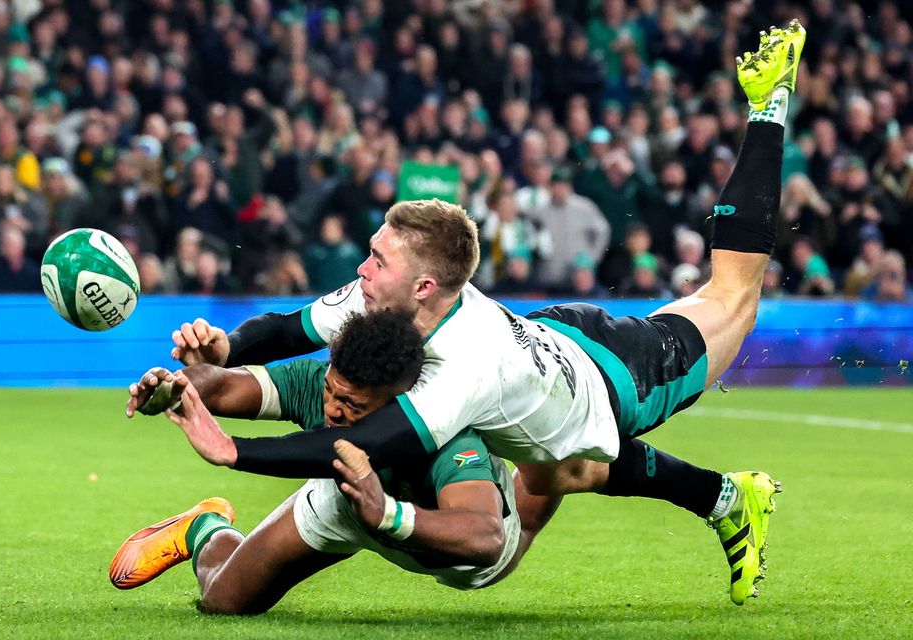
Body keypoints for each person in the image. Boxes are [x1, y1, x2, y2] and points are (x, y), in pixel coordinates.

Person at [147, 21, 805, 606]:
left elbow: (368, 443)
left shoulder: (463, 369)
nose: (361, 270)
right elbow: (290, 330)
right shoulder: (381, 301)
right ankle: (724, 497)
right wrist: (223, 352)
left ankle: (768, 106)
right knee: (561, 462)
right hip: (542, 344)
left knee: (730, 300)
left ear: (425, 284)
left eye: (376, 259)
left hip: (610, 374)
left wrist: (234, 452)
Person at [113, 310, 559, 613]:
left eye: (352, 405)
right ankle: (203, 526)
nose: (332, 409)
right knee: (223, 602)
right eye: (331, 389)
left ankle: (586, 451)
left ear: (400, 405)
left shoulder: (447, 439)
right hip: (343, 504)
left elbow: (486, 537)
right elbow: (223, 384)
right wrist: (174, 385)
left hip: (423, 526)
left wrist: (387, 514)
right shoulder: (324, 384)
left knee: (538, 505)